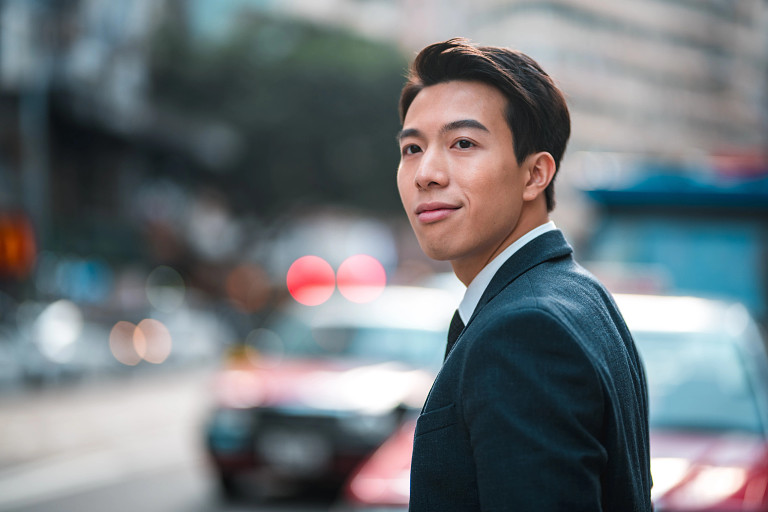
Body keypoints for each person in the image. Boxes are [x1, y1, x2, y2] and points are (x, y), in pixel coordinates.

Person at [396, 38, 653, 511]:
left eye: (463, 143)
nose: (425, 173)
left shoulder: (526, 330)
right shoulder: (576, 295)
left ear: (535, 175)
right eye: (412, 148)